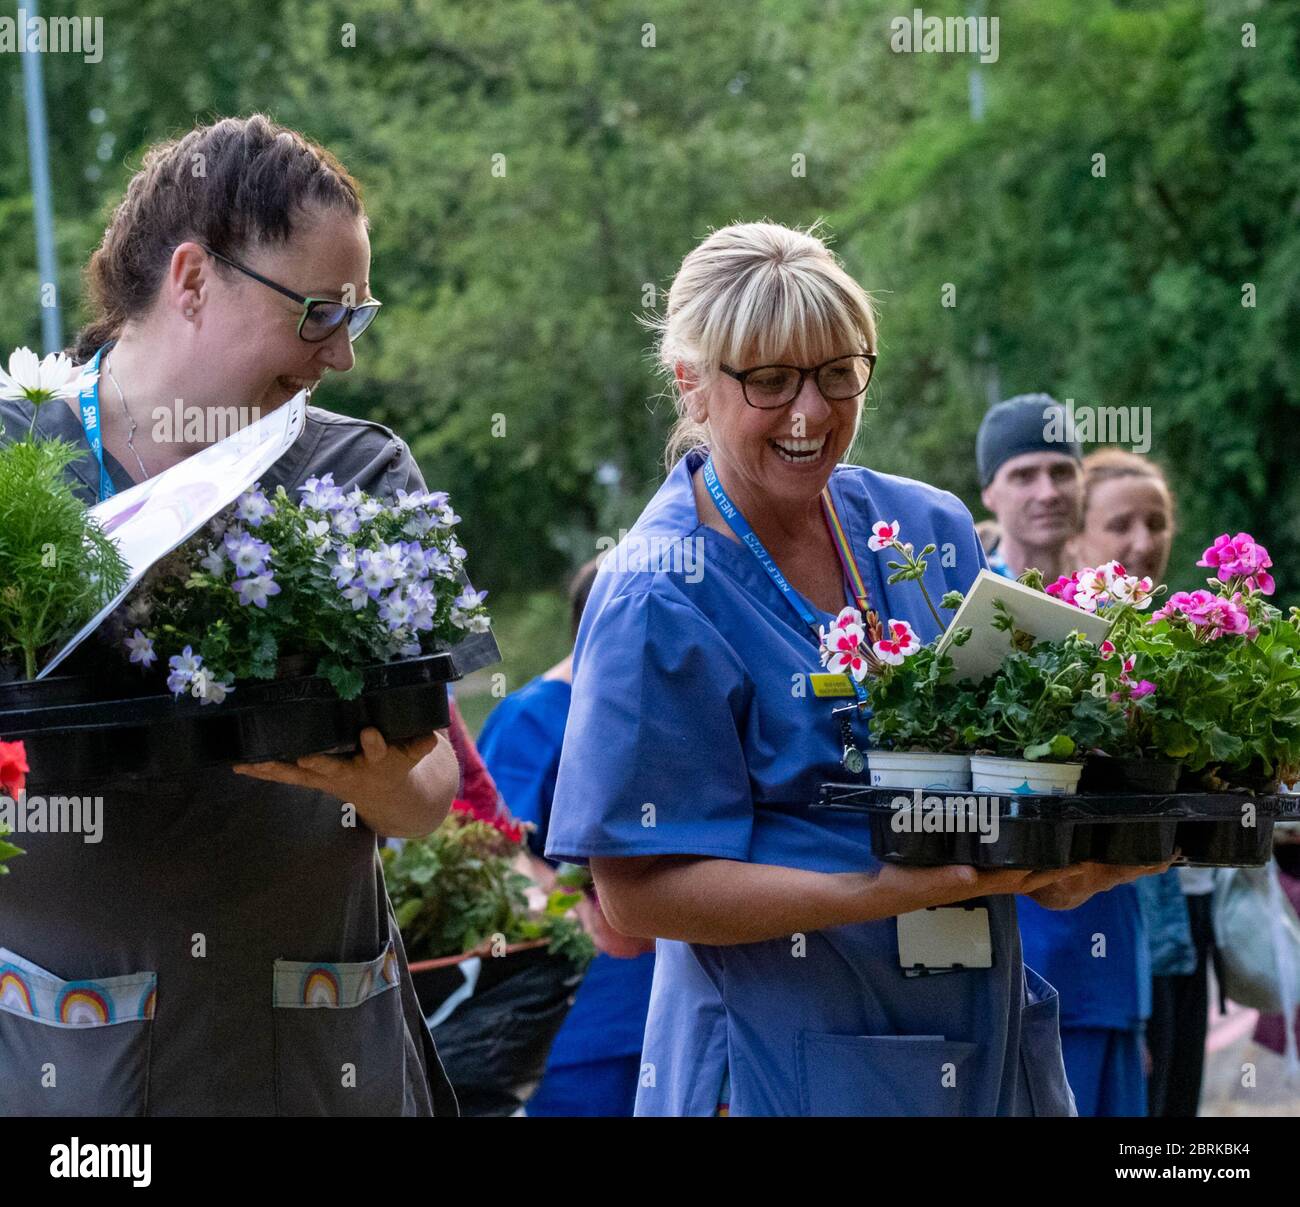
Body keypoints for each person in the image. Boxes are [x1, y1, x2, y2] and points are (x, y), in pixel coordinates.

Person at [543, 221, 1167, 1117]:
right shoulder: (659, 592)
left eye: (839, 373)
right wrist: (881, 889)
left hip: (974, 1032)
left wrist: (1069, 854)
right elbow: (636, 892)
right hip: (779, 1058)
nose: (812, 413)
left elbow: (1005, 769)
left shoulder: (925, 528)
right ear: (692, 382)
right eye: (770, 381)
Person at [0, 116, 462, 1116]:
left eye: (356, 315)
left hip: (310, 1047)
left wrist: (380, 780)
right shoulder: (14, 459)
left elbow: (432, 788)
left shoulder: (357, 473)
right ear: (193, 279)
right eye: (317, 314)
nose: (340, 354)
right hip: (68, 1055)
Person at [1018, 449, 1183, 1116]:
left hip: (1126, 976)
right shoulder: (1039, 645)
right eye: (1119, 525)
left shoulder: (1164, 649)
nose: (1142, 544)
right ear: (1076, 537)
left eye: (1157, 522)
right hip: (1056, 969)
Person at [477, 556, 656, 1117]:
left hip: (668, 1006)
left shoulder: (660, 709)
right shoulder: (530, 719)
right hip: (583, 1016)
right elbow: (493, 855)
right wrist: (583, 905)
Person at [976, 394, 1083, 580]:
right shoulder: (964, 594)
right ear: (989, 495)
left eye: (1062, 473)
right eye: (1024, 476)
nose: (1048, 493)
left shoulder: (1105, 599)